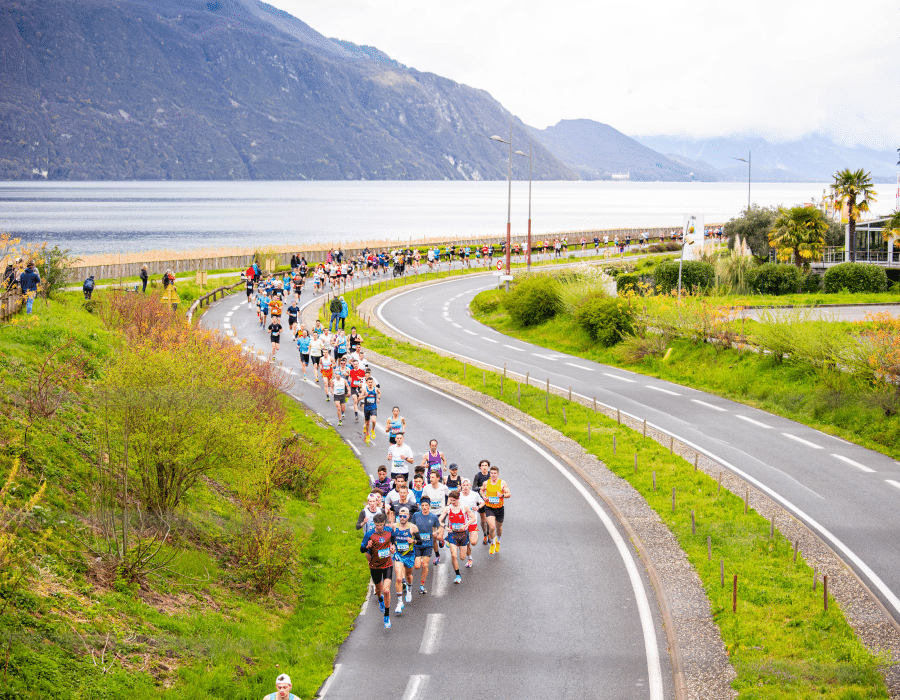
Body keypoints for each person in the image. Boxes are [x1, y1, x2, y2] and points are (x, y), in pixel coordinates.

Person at [360, 513, 395, 629]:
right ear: (374, 524)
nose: (379, 527)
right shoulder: (369, 534)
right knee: (379, 589)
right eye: (377, 525)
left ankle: (386, 616)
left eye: (381, 525)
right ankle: (380, 599)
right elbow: (361, 549)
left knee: (386, 590)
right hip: (375, 566)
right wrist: (367, 547)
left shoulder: (389, 530)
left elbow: (393, 539)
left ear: (384, 523)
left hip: (387, 564)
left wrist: (393, 545)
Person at [391, 507, 418, 614]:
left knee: (408, 576)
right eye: (400, 516)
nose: (402, 518)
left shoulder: (413, 527)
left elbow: (419, 541)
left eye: (404, 516)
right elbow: (391, 538)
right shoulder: (394, 526)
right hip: (398, 555)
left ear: (408, 516)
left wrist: (413, 541)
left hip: (409, 555)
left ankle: (409, 589)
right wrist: (392, 545)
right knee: (398, 578)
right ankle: (399, 602)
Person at [439, 490, 469, 584]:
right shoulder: (447, 508)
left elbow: (473, 518)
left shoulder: (464, 507)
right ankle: (458, 575)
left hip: (463, 534)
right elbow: (439, 520)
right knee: (453, 555)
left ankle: (466, 547)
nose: (452, 502)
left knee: (462, 558)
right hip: (452, 534)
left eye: (454, 501)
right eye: (451, 500)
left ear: (458, 499)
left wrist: (465, 525)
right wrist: (445, 527)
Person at [480, 466, 510, 554]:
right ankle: (493, 543)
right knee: (492, 527)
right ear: (490, 474)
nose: (493, 475)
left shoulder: (502, 483)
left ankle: (498, 540)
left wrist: (502, 495)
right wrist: (484, 497)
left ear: (498, 474)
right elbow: (482, 491)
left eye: (495, 473)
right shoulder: (486, 483)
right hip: (489, 508)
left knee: (499, 527)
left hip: (499, 508)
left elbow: (509, 494)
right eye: (492, 473)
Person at [421, 470, 449, 564]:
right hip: (431, 514)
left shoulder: (444, 487)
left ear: (438, 478)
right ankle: (437, 556)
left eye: (433, 477)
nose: (431, 479)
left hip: (441, 514)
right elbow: (423, 499)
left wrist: (447, 505)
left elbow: (450, 496)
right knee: (433, 537)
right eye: (430, 477)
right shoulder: (426, 488)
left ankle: (441, 540)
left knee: (439, 536)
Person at [458, 479, 484, 568]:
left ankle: (472, 536)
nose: (465, 487)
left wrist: (478, 507)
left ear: (470, 486)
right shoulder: (458, 495)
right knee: (467, 542)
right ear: (461, 486)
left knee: (473, 542)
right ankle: (470, 558)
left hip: (472, 522)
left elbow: (483, 502)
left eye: (467, 485)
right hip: (462, 523)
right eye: (463, 485)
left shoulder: (475, 494)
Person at [472, 459, 492, 544]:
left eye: (486, 465)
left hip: (490, 500)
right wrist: (480, 488)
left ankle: (489, 534)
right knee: (483, 519)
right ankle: (485, 535)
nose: (484, 467)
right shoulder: (478, 476)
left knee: (489, 519)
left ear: (488, 466)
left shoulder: (491, 476)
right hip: (480, 500)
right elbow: (473, 488)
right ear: (480, 467)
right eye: (482, 466)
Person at [362, 375, 381, 444]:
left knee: (373, 421)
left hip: (373, 407)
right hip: (366, 408)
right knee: (367, 423)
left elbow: (379, 392)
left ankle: (373, 429)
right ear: (367, 383)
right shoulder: (364, 390)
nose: (370, 383)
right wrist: (365, 396)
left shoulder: (375, 389)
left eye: (371, 382)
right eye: (369, 382)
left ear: (373, 383)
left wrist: (378, 398)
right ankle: (367, 433)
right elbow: (360, 398)